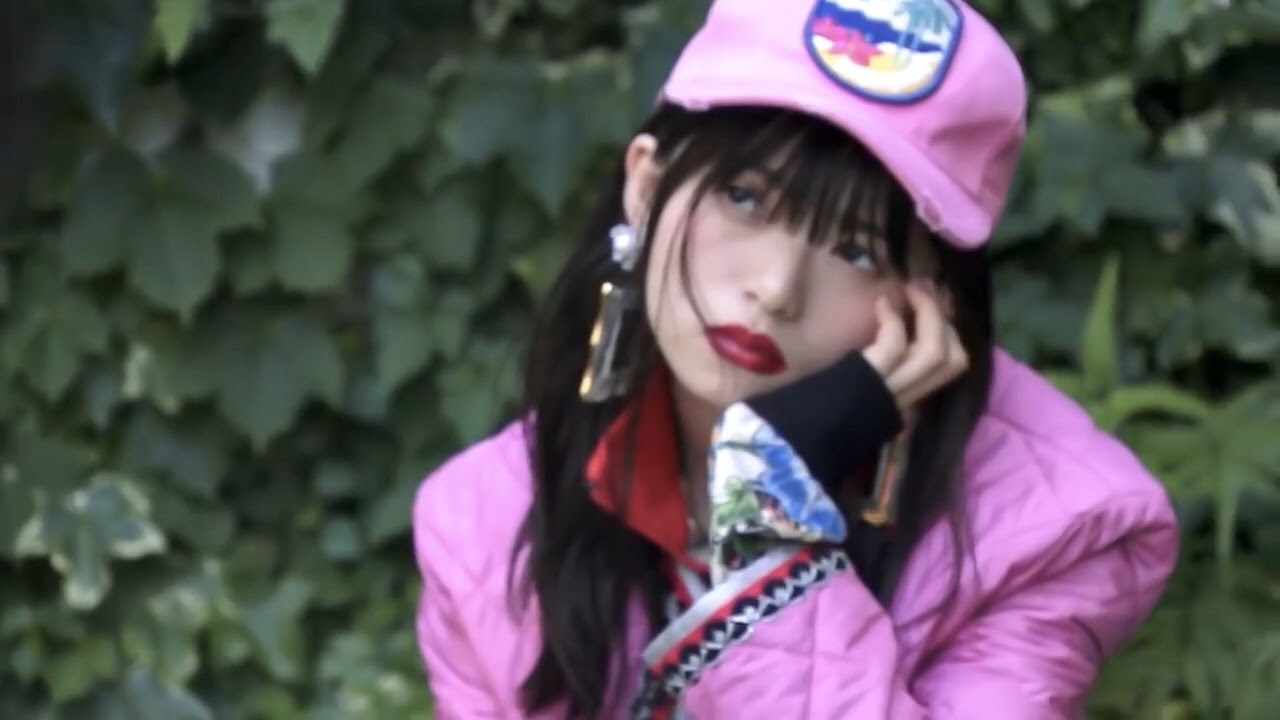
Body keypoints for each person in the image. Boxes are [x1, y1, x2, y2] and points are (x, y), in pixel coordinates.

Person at [412, 0, 1179, 717]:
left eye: (857, 249)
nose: (776, 289)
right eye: (744, 198)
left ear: (933, 301)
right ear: (645, 187)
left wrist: (770, 533)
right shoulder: (483, 522)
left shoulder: (1060, 529)